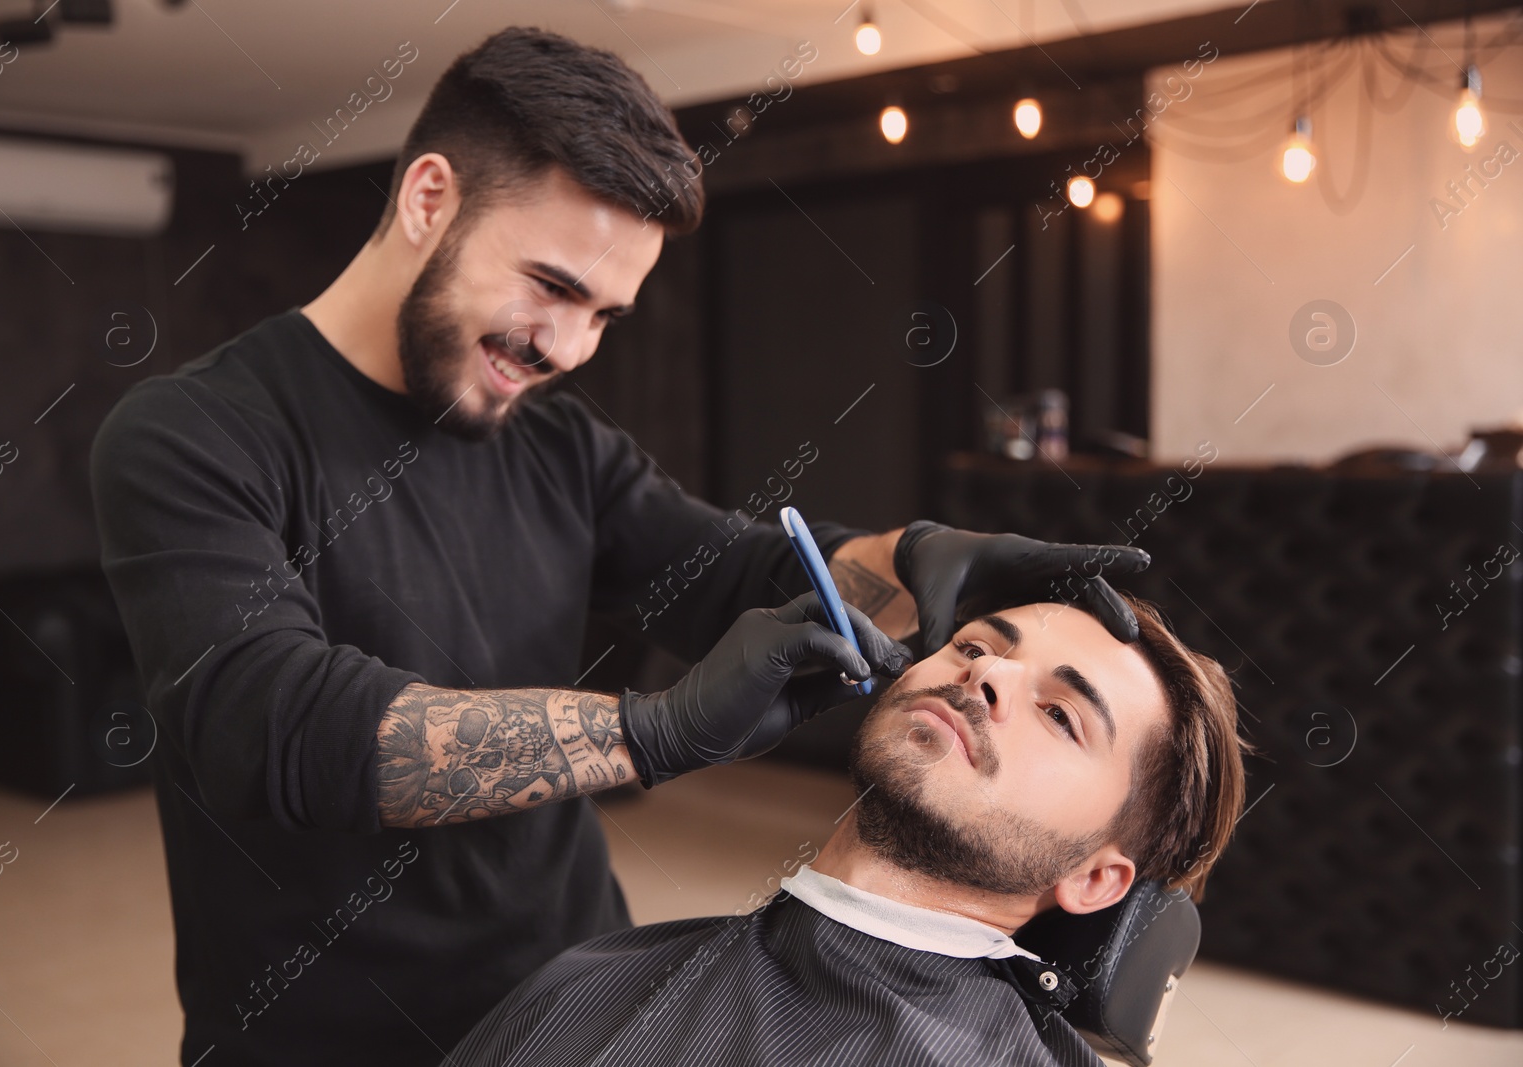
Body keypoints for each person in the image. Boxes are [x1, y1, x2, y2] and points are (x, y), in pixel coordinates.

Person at [88, 26, 1149, 1066]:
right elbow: (267, 721)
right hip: (323, 1023)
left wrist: (914, 556)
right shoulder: (194, 432)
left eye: (606, 313)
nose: (564, 348)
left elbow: (729, 572)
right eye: (550, 285)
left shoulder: (553, 437)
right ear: (427, 199)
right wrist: (654, 730)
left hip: (570, 995)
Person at [443, 596, 1252, 1067]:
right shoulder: (594, 973)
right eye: (973, 643)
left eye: (1060, 713)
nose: (988, 671)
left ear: (1096, 879)